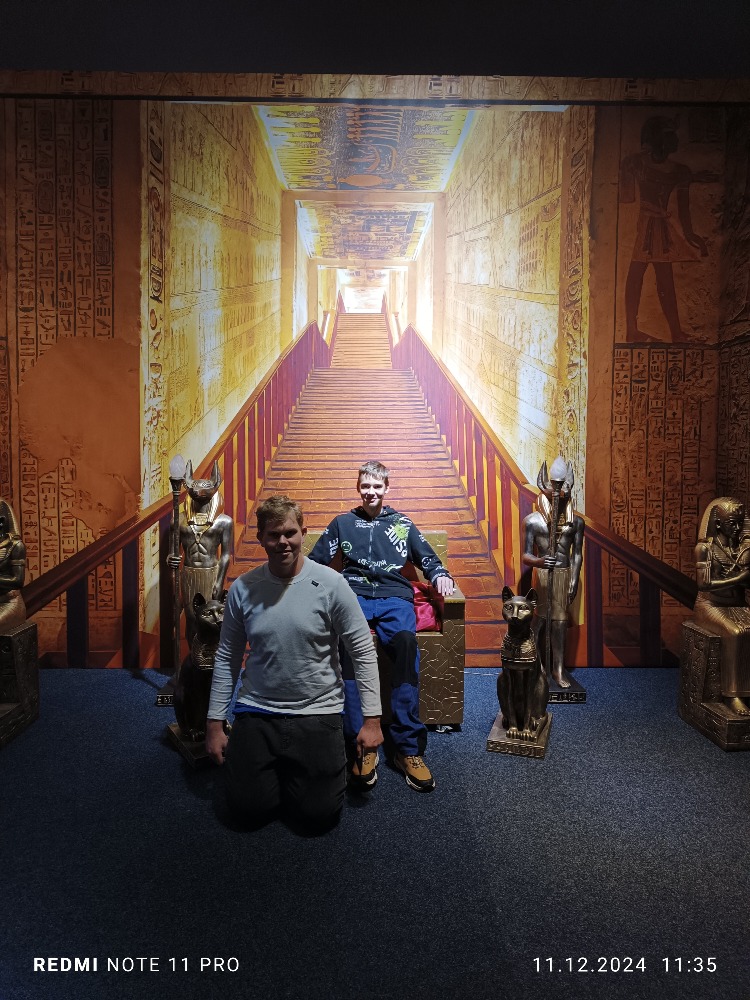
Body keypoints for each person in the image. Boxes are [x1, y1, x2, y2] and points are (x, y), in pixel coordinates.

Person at [205, 495, 383, 831]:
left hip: (318, 710)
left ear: (303, 533)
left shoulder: (332, 585)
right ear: (261, 538)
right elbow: (227, 656)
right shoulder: (243, 589)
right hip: (258, 708)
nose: (283, 542)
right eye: (273, 535)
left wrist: (372, 720)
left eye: (290, 533)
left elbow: (362, 651)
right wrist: (214, 724)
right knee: (248, 811)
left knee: (317, 817)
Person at [308, 460, 454, 793]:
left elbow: (427, 557)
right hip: (353, 594)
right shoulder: (343, 523)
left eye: (377, 486)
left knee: (406, 644)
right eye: (366, 486)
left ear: (387, 488)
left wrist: (440, 575)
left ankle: (407, 747)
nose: (371, 492)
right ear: (358, 488)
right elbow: (315, 561)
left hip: (394, 596)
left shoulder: (402, 523)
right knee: (348, 649)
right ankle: (361, 742)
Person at [522, 457, 584, 689]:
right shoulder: (532, 521)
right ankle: (537, 666)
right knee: (539, 620)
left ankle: (557, 669)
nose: (557, 492)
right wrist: (539, 561)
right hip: (543, 575)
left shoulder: (576, 523)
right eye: (553, 487)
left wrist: (574, 579)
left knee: (559, 622)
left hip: (563, 574)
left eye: (561, 486)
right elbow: (526, 555)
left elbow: (577, 554)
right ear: (546, 489)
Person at [694, 497, 750, 717]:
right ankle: (733, 695)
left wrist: (744, 578)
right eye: (731, 524)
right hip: (710, 605)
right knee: (736, 633)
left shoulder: (742, 549)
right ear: (718, 524)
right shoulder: (705, 549)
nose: (737, 528)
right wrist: (738, 578)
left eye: (740, 523)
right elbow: (704, 585)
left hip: (739, 605)